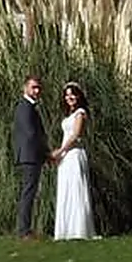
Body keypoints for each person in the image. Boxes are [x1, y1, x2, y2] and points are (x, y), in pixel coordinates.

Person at [52, 81, 96, 240]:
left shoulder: (80, 113)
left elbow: (76, 135)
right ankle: (66, 230)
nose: (69, 97)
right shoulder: (69, 115)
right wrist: (61, 154)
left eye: (72, 94)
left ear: (78, 96)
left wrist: (60, 151)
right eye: (67, 95)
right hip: (66, 156)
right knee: (66, 188)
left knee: (76, 189)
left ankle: (79, 229)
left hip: (74, 154)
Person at [11, 74, 48, 239]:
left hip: (30, 155)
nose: (37, 91)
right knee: (28, 192)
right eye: (33, 87)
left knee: (29, 192)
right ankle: (24, 231)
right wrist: (46, 153)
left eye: (38, 87)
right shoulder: (25, 107)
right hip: (29, 156)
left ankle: (26, 229)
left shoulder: (29, 106)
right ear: (25, 88)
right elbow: (31, 133)